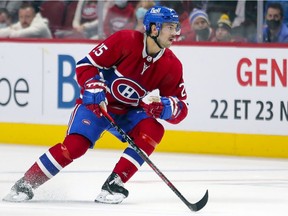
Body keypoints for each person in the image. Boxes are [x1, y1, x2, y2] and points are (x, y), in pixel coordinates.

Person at [3, 5, 188, 204]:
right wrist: (92, 85)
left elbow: (182, 107)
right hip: (98, 107)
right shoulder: (125, 40)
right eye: (170, 27)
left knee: (153, 129)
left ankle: (114, 183)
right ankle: (25, 184)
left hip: (128, 113)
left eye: (176, 27)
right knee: (74, 147)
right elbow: (85, 65)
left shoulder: (172, 65)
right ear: (154, 28)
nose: (175, 32)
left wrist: (167, 108)